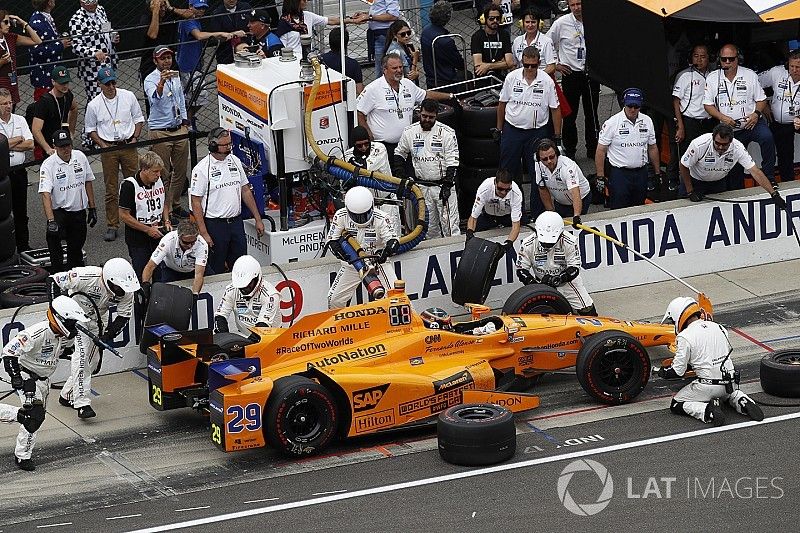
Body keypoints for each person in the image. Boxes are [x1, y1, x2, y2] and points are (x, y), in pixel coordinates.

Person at [1, 295, 89, 470]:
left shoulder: (62, 336)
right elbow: (9, 352)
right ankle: (22, 456)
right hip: (27, 377)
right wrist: (16, 377)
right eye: (72, 323)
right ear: (61, 319)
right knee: (34, 416)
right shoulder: (36, 333)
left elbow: (57, 352)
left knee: (35, 419)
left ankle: (23, 446)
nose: (74, 327)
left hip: (43, 381)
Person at [50, 258, 139, 419]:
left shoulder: (127, 290)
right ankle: (82, 403)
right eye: (119, 288)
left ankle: (67, 395)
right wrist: (58, 311)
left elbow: (123, 317)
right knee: (82, 358)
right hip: (75, 317)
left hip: (98, 320)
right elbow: (54, 281)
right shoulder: (85, 276)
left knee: (92, 363)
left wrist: (107, 337)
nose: (123, 292)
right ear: (109, 281)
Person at [657, 296, 764, 426]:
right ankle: (741, 399)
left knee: (676, 404)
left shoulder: (684, 337)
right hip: (731, 383)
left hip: (708, 386)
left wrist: (662, 372)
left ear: (678, 316)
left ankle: (707, 411)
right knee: (728, 394)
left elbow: (678, 371)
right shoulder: (719, 327)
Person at [496, 46, 561, 219]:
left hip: (537, 132)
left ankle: (538, 214)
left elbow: (555, 109)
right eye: (526, 65)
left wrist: (557, 137)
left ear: (539, 63)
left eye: (533, 65)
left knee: (538, 173)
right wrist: (499, 129)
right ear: (522, 63)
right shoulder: (511, 78)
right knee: (508, 171)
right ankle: (511, 213)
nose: (530, 69)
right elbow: (502, 104)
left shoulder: (547, 81)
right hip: (513, 131)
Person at [189, 128, 265, 275]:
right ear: (212, 145)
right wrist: (204, 232)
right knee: (216, 266)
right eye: (224, 145)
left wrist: (258, 218)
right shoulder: (202, 169)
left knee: (241, 264)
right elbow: (195, 202)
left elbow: (245, 190)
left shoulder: (235, 161)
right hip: (215, 225)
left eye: (230, 144)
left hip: (236, 223)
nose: (228, 148)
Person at [703, 43, 775, 191]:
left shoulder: (749, 74)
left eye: (731, 59)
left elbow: (761, 100)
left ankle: (769, 177)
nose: (727, 62)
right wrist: (723, 118)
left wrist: (756, 114)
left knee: (767, 137)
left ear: (738, 59)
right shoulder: (712, 78)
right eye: (724, 59)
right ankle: (738, 191)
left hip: (752, 123)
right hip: (730, 128)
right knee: (734, 166)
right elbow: (707, 105)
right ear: (719, 60)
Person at [357, 54, 455, 161]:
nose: (399, 70)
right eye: (394, 68)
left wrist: (449, 96)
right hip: (383, 147)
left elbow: (425, 95)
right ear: (384, 70)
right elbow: (358, 112)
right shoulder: (373, 88)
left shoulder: (408, 84)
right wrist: (368, 134)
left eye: (400, 67)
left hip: (405, 145)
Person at [85, 66, 145, 242]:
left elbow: (138, 119)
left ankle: (137, 219)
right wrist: (102, 144)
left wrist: (135, 137)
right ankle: (113, 224)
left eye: (113, 82)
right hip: (109, 148)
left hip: (128, 145)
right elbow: (90, 129)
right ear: (99, 84)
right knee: (111, 188)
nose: (111, 86)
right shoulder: (94, 104)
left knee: (134, 182)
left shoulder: (128, 96)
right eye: (107, 84)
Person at [394, 99, 460, 238]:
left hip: (442, 187)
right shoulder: (409, 132)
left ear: (437, 115)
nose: (427, 120)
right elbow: (399, 153)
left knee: (450, 227)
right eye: (424, 116)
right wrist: (402, 174)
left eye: (431, 117)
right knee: (429, 229)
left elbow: (453, 160)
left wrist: (448, 184)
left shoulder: (447, 133)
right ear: (419, 113)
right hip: (422, 187)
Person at [325, 186, 399, 309]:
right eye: (356, 216)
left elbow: (393, 241)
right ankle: (341, 325)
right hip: (352, 264)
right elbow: (331, 241)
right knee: (334, 299)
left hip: (377, 264)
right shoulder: (341, 215)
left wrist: (385, 252)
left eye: (365, 215)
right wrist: (341, 253)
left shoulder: (382, 218)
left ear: (372, 206)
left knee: (396, 298)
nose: (360, 219)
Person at [39, 129, 97, 272]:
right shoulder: (48, 165)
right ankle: (57, 274)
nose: (66, 149)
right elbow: (45, 193)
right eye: (62, 146)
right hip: (60, 212)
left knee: (76, 248)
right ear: (55, 147)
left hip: (78, 211)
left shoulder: (80, 157)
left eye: (68, 145)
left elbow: (88, 181)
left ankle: (76, 275)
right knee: (53, 242)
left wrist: (92, 207)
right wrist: (51, 221)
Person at [548, 0, 600, 161]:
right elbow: (547, 43)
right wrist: (556, 64)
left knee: (591, 113)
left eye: (579, 4)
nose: (577, 8)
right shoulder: (561, 23)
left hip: (590, 73)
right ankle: (570, 149)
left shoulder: (595, 19)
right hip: (571, 73)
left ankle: (593, 148)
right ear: (569, 6)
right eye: (573, 5)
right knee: (570, 114)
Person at [680, 123, 784, 203]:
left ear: (731, 141)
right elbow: (684, 165)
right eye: (717, 143)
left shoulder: (737, 147)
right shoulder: (699, 144)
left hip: (718, 183)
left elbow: (755, 171)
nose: (720, 147)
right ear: (713, 137)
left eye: (724, 145)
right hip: (695, 182)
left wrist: (774, 194)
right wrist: (690, 191)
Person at [517, 210, 596, 315]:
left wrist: (560, 278)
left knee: (588, 311)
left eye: (550, 243)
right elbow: (521, 270)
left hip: (567, 282)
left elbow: (575, 268)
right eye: (544, 242)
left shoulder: (570, 241)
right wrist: (533, 284)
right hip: (540, 284)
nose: (547, 246)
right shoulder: (527, 244)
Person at [595, 88, 662, 209]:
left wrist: (657, 173)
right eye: (629, 106)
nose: (632, 109)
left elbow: (652, 148)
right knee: (618, 208)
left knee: (639, 207)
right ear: (624, 104)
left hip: (641, 172)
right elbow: (601, 150)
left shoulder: (647, 121)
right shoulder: (612, 123)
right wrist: (600, 176)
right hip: (620, 174)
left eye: (636, 107)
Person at [144, 45, 190, 217]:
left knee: (180, 171)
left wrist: (185, 122)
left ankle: (175, 204)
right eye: (162, 58)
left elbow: (180, 100)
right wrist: (161, 82)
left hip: (178, 129)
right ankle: (165, 210)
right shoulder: (150, 79)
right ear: (156, 60)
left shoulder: (176, 77)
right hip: (160, 131)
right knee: (162, 172)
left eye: (169, 58)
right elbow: (154, 100)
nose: (166, 61)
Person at [177, 0, 234, 123]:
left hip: (194, 63)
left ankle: (187, 118)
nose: (202, 10)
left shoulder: (195, 20)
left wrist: (229, 34)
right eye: (199, 8)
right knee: (200, 95)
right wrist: (221, 33)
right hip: (188, 65)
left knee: (192, 95)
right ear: (190, 7)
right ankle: (187, 119)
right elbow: (199, 36)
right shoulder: (188, 20)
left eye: (203, 8)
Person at [118, 151, 170, 279]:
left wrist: (167, 220)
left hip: (158, 233)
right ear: (144, 170)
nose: (159, 175)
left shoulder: (159, 180)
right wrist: (147, 229)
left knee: (161, 273)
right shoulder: (129, 186)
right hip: (138, 238)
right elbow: (124, 215)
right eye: (155, 171)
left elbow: (164, 202)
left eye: (160, 171)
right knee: (142, 274)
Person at [344, 126, 401, 236]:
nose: (364, 148)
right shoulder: (346, 156)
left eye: (366, 143)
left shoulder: (379, 148)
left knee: (392, 237)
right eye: (359, 145)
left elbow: (367, 168)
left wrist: (354, 166)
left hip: (386, 203)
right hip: (366, 209)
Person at [672, 44, 714, 190]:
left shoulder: (714, 75)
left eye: (703, 56)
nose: (699, 59)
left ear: (709, 58)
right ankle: (684, 188)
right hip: (690, 121)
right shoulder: (684, 75)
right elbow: (676, 101)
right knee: (688, 157)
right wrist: (680, 126)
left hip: (709, 121)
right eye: (696, 56)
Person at [0, 88, 34, 251]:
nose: (8, 106)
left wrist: (6, 145)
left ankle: (23, 245)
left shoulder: (20, 120)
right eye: (4, 103)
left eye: (10, 102)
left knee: (21, 211)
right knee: (3, 212)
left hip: (19, 172)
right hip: (2, 175)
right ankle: (6, 247)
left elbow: (30, 144)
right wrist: (16, 140)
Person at [214, 254, 280, 336]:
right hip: (244, 335)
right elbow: (220, 316)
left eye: (248, 285)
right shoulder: (231, 289)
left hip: (270, 337)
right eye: (241, 286)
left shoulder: (270, 295)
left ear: (256, 278)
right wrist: (223, 337)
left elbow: (263, 327)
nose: (244, 289)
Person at [760, 50, 800, 183]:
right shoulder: (777, 72)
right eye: (791, 66)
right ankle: (771, 182)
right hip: (778, 123)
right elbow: (753, 82)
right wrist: (763, 102)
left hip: (797, 121)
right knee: (778, 154)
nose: (794, 70)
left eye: (798, 67)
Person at [138, 0, 193, 95]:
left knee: (176, 92)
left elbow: (191, 14)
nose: (162, 8)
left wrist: (171, 8)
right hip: (150, 63)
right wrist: (155, 12)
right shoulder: (146, 17)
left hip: (170, 60)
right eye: (159, 6)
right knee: (154, 95)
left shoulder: (169, 13)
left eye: (163, 5)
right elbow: (153, 34)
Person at [275, 0, 366, 56]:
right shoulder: (283, 23)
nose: (306, 1)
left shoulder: (308, 16)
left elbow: (330, 21)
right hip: (292, 61)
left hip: (308, 58)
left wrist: (352, 21)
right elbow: (282, 47)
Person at [142, 219, 209, 293]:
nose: (190, 245)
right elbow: (150, 266)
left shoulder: (202, 244)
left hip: (191, 271)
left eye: (193, 242)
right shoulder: (168, 240)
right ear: (179, 237)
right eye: (186, 242)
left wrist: (195, 295)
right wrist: (145, 285)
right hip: (170, 270)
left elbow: (199, 275)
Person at [69, 0, 118, 101]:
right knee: (96, 98)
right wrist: (93, 53)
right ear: (81, 3)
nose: (92, 4)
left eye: (94, 1)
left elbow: (106, 28)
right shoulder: (76, 20)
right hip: (93, 68)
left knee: (112, 94)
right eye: (88, 2)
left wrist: (113, 35)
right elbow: (76, 46)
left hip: (109, 61)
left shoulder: (100, 9)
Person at [534, 138, 590, 222]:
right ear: (539, 159)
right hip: (560, 201)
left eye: (552, 157)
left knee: (575, 222)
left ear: (557, 154)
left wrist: (576, 216)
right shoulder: (538, 165)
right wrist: (551, 213)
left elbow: (575, 192)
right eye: (545, 159)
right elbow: (542, 189)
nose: (549, 161)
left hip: (581, 198)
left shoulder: (568, 167)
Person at [466, 170, 521, 251]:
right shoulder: (484, 188)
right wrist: (469, 234)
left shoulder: (516, 193)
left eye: (507, 190)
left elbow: (516, 226)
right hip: (488, 216)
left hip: (508, 217)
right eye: (500, 189)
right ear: (495, 183)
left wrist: (508, 243)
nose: (503, 192)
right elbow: (473, 218)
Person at [28, 0, 72, 101]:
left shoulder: (45, 17)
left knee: (64, 105)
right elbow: (36, 50)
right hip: (44, 76)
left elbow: (48, 41)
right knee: (45, 109)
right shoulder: (36, 22)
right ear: (48, 2)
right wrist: (60, 45)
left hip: (54, 74)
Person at [31, 64, 76, 161]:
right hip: (50, 142)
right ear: (53, 82)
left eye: (66, 83)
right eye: (61, 83)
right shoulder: (44, 101)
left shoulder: (68, 95)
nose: (65, 86)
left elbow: (74, 108)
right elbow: (35, 129)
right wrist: (47, 148)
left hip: (65, 139)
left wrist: (71, 131)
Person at [0, 11, 42, 109]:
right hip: (1, 84)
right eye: (5, 22)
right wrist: (2, 62)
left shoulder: (11, 37)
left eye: (9, 22)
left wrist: (23, 23)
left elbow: (37, 41)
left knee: (11, 113)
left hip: (12, 83)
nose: (9, 25)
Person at [420, 1, 464, 89]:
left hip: (430, 77)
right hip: (446, 80)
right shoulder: (445, 41)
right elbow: (459, 63)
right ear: (448, 17)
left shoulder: (425, 31)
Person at [470, 4, 514, 81]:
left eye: (498, 18)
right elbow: (478, 66)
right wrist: (501, 63)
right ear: (484, 19)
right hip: (483, 79)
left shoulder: (504, 35)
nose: (495, 21)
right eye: (491, 19)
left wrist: (487, 66)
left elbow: (510, 63)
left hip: (501, 79)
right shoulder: (477, 36)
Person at [209, 0, 252, 65]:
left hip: (246, 48)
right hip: (225, 53)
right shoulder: (216, 13)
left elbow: (254, 24)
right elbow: (215, 38)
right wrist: (233, 34)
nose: (231, 0)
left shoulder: (246, 7)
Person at [321, 28, 362, 95]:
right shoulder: (354, 64)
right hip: (345, 101)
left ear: (329, 42)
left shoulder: (320, 60)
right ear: (346, 44)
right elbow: (359, 90)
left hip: (324, 97)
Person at [368, 0, 401, 72]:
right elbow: (379, 11)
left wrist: (370, 17)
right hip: (378, 34)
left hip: (385, 35)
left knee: (385, 66)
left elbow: (393, 15)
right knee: (381, 66)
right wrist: (366, 15)